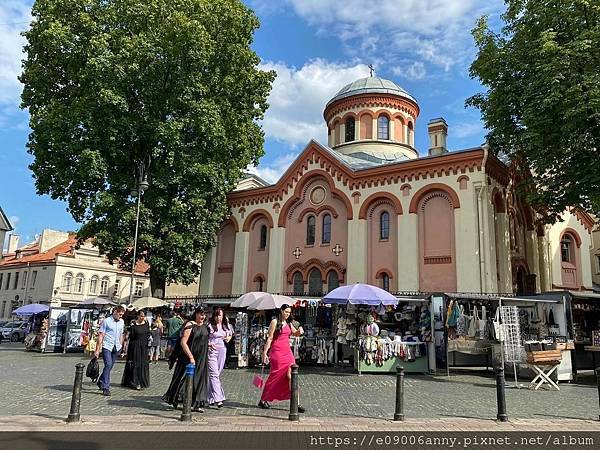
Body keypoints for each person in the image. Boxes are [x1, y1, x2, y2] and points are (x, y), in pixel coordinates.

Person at [258, 304, 306, 412]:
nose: (287, 314)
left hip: (288, 353)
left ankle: (296, 403)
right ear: (281, 311)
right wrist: (265, 353)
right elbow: (270, 338)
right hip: (277, 353)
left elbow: (295, 334)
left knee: (292, 376)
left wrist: (300, 331)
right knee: (275, 376)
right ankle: (263, 399)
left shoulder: (289, 323)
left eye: (289, 312)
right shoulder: (274, 322)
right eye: (286, 312)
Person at [162, 306, 209, 412]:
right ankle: (179, 400)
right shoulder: (190, 325)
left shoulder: (205, 327)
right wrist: (191, 356)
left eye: (204, 315)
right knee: (184, 379)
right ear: (196, 314)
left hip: (202, 357)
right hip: (188, 357)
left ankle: (196, 402)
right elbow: (183, 342)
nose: (202, 316)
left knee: (199, 379)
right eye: (201, 314)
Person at [94, 305, 126, 396]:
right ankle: (105, 387)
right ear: (115, 312)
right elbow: (101, 335)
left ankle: (101, 381)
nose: (121, 316)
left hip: (116, 347)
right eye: (120, 314)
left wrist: (121, 346)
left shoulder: (122, 322)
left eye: (122, 315)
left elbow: (121, 334)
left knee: (109, 367)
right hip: (107, 346)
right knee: (108, 364)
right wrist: (97, 349)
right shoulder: (106, 321)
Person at [207, 308, 233, 407]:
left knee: (216, 374)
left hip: (222, 350)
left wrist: (228, 338)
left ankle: (210, 398)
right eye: (217, 315)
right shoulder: (210, 326)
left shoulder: (226, 326)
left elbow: (230, 335)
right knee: (214, 374)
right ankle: (218, 398)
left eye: (220, 315)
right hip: (212, 351)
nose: (218, 318)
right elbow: (205, 338)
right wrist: (209, 344)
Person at [121, 309, 150, 390]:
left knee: (143, 364)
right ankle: (134, 382)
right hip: (135, 346)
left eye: (144, 316)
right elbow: (130, 336)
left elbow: (148, 334)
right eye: (141, 316)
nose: (142, 318)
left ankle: (142, 381)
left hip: (144, 347)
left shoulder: (146, 323)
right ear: (138, 316)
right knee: (135, 364)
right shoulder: (133, 324)